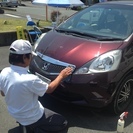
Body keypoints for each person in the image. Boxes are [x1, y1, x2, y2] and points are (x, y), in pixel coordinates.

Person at [0, 39, 73, 133]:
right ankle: (34, 128)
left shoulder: (4, 72)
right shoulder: (30, 79)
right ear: (24, 58)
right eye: (30, 56)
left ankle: (27, 126)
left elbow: (2, 93)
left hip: (14, 112)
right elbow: (50, 89)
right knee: (63, 123)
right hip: (32, 117)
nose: (31, 59)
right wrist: (61, 75)